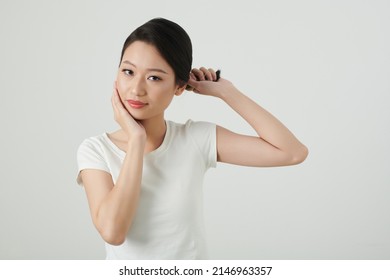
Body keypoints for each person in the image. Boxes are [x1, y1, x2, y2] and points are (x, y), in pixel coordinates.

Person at [76, 18, 308, 260]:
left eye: (154, 77)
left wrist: (227, 92)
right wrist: (136, 140)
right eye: (128, 71)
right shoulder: (96, 150)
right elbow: (113, 232)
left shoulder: (195, 138)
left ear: (179, 86)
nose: (136, 89)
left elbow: (292, 152)